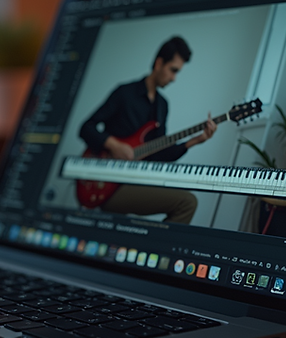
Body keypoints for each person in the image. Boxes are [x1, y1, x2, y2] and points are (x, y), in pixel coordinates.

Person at [78, 36, 216, 224]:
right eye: (173, 70)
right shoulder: (125, 92)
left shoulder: (162, 105)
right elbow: (86, 128)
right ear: (159, 63)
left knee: (187, 198)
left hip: (136, 178)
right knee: (187, 202)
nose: (174, 78)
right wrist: (114, 145)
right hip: (108, 182)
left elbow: (160, 151)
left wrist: (196, 140)